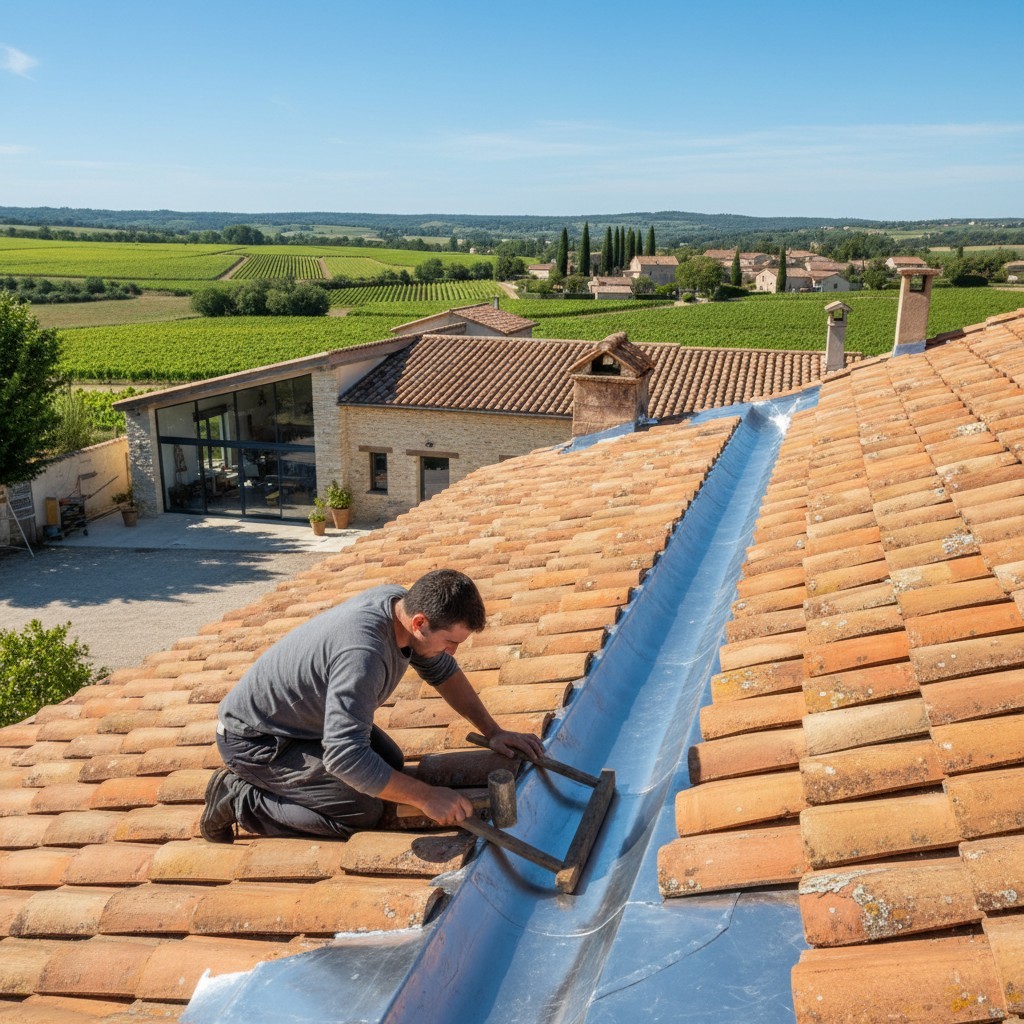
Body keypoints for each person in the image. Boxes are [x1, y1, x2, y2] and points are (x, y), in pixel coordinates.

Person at [200, 569, 544, 842]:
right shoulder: (362, 655)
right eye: (450, 641)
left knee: (388, 764)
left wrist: (493, 731)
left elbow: (442, 671)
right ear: (420, 622)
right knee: (360, 810)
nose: (453, 650)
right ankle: (237, 798)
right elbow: (344, 756)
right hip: (255, 742)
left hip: (302, 725)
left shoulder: (399, 605)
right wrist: (426, 798)